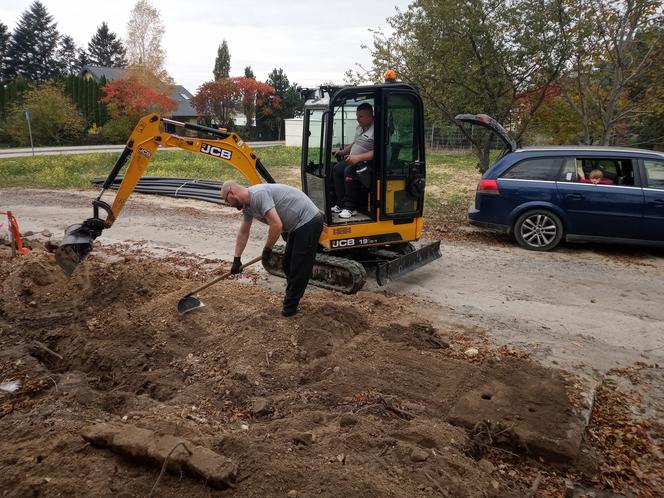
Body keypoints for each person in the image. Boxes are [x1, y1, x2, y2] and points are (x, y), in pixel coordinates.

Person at [220, 181, 323, 317]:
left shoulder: (258, 195)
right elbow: (244, 232)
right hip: (296, 226)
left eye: (227, 200)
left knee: (299, 266)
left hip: (309, 221)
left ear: (232, 193)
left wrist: (267, 249)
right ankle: (292, 296)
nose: (229, 204)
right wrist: (236, 259)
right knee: (287, 264)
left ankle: (290, 308)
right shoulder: (247, 207)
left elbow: (276, 225)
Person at [331, 103, 374, 219]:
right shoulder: (360, 128)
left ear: (370, 116)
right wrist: (342, 152)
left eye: (360, 116)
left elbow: (377, 152)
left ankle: (351, 208)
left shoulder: (377, 129)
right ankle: (340, 203)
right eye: (357, 116)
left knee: (349, 170)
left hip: (368, 163)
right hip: (355, 159)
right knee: (336, 169)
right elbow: (355, 143)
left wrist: (358, 158)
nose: (357, 119)